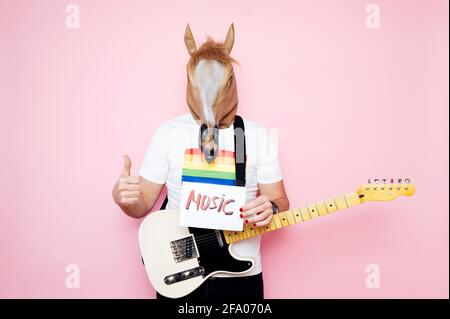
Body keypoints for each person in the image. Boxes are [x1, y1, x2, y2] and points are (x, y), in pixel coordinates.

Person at [111, 24, 289, 300]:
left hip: (240, 276)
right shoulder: (168, 133)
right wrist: (124, 198)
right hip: (180, 273)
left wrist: (272, 207)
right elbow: (142, 204)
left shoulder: (257, 135)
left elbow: (280, 201)